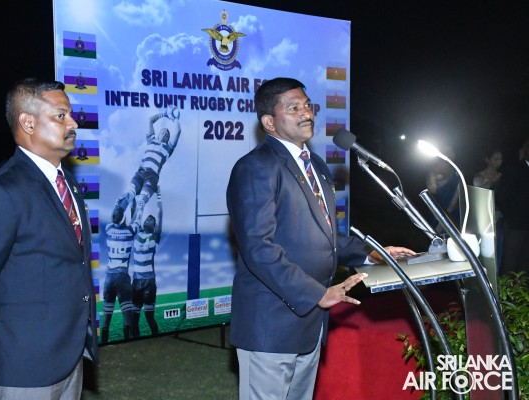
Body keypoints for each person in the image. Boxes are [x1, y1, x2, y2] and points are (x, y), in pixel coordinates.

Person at [226, 77, 415, 400]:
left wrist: (373, 253)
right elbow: (258, 248)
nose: (307, 113)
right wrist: (317, 294)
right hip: (271, 324)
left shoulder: (315, 165)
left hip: (310, 322)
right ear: (269, 122)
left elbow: (326, 237)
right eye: (294, 108)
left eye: (307, 105)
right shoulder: (256, 167)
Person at [0, 78, 98, 399]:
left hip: (70, 352)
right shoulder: (2, 192)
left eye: (71, 115)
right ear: (28, 123)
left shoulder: (67, 183)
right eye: (61, 116)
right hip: (23, 360)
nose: (73, 123)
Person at [113, 107, 181, 225]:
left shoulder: (168, 148)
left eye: (167, 134)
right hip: (140, 173)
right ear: (158, 134)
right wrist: (165, 114)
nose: (164, 133)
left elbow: (178, 131)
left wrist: (176, 119)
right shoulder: (151, 140)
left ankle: (136, 223)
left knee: (141, 201)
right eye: (162, 131)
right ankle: (117, 218)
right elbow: (150, 120)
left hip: (152, 177)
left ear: (167, 138)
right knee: (129, 195)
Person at [101, 201, 139, 344]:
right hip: (122, 276)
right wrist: (136, 203)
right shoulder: (130, 231)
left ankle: (103, 344)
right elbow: (135, 218)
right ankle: (127, 344)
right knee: (127, 315)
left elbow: (118, 218)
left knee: (107, 317)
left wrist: (117, 204)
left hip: (109, 277)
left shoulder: (109, 228)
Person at [130, 191, 163, 337]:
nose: (150, 219)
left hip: (144, 281)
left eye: (151, 220)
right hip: (143, 281)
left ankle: (154, 338)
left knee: (145, 316)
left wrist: (143, 201)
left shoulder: (147, 236)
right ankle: (137, 340)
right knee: (137, 317)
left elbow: (140, 214)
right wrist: (157, 196)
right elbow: (158, 214)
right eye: (149, 218)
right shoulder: (147, 236)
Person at [496, 138, 529, 275]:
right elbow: (501, 197)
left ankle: (522, 288)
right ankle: (506, 289)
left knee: (525, 264)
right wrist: (511, 217)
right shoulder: (513, 169)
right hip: (515, 225)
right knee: (510, 262)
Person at [425, 143, 460, 233]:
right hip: (439, 218)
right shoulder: (433, 172)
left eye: (452, 152)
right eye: (447, 152)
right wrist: (442, 218)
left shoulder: (457, 172)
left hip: (455, 216)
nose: (450, 154)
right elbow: (431, 198)